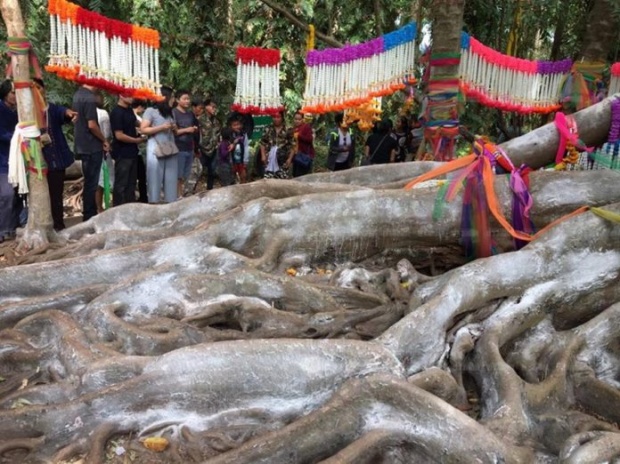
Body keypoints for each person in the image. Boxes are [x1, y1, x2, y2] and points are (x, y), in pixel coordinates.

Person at [33, 78, 77, 231]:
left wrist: (68, 113)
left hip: (56, 160)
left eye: (38, 87)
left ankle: (59, 227)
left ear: (44, 89)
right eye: (32, 88)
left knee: (56, 195)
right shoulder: (25, 111)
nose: (36, 91)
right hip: (35, 161)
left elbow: (62, 112)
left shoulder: (51, 109)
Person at [73, 84, 109, 221]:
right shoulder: (88, 97)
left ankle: (89, 213)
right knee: (92, 183)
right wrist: (104, 140)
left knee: (90, 182)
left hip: (83, 145)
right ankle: (89, 215)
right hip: (91, 146)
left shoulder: (78, 94)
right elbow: (92, 124)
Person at [140, 86, 179, 204]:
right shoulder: (150, 111)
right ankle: (153, 203)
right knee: (154, 177)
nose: (174, 100)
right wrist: (161, 127)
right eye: (172, 97)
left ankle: (171, 203)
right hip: (155, 147)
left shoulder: (171, 112)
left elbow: (176, 132)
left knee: (171, 177)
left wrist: (175, 128)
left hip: (170, 147)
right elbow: (143, 129)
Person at [110, 94, 145, 206]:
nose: (132, 97)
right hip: (122, 153)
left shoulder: (129, 110)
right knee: (121, 184)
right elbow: (119, 135)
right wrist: (136, 140)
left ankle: (130, 208)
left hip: (133, 152)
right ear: (120, 95)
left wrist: (149, 126)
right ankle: (118, 210)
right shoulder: (116, 112)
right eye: (128, 94)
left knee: (131, 183)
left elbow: (137, 123)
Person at [0, 79, 18, 242]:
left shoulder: (17, 111)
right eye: (13, 92)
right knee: (6, 195)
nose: (16, 95)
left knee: (17, 195)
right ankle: (3, 230)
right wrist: (17, 138)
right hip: (2, 161)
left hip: (16, 161)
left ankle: (11, 228)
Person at [172, 90, 199, 197]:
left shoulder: (190, 114)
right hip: (178, 147)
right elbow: (175, 131)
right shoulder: (174, 113)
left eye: (188, 99)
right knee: (178, 175)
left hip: (190, 147)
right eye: (184, 99)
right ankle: (178, 196)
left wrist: (194, 129)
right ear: (178, 100)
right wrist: (188, 130)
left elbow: (196, 127)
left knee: (185, 174)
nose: (187, 101)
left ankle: (183, 193)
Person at [260, 110, 294, 179]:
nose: (276, 119)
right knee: (268, 181)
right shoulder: (268, 128)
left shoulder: (288, 129)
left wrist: (290, 159)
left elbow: (293, 145)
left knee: (282, 181)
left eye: (278, 117)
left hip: (283, 160)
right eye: (274, 117)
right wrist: (263, 155)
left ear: (282, 118)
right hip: (269, 159)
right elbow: (262, 143)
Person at [197, 98, 221, 191]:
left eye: (215, 107)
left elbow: (218, 134)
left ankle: (209, 190)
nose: (214, 109)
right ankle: (191, 192)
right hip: (202, 150)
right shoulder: (200, 120)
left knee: (212, 171)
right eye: (212, 106)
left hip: (213, 149)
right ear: (206, 107)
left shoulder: (216, 121)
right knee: (198, 171)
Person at [95, 93, 114, 213]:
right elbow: (107, 133)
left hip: (90, 149)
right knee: (104, 178)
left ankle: (98, 207)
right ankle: (103, 207)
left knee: (96, 180)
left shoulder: (83, 112)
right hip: (103, 149)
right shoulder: (103, 113)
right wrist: (106, 142)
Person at [132, 99, 148, 203]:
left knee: (138, 176)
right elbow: (143, 131)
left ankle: (141, 196)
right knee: (141, 176)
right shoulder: (137, 118)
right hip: (139, 147)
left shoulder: (136, 117)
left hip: (137, 148)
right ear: (139, 107)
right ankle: (142, 197)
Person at [292, 112, 315, 177]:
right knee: (295, 175)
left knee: (301, 176)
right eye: (296, 119)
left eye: (299, 119)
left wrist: (299, 136)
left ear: (303, 119)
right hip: (296, 155)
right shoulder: (294, 129)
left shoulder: (306, 127)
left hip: (303, 155)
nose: (297, 121)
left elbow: (309, 139)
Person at [229, 114, 248, 183]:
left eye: (238, 124)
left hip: (241, 159)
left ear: (241, 125)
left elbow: (246, 146)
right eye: (234, 125)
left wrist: (246, 159)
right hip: (232, 160)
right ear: (231, 126)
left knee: (243, 176)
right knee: (232, 177)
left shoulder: (244, 134)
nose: (236, 127)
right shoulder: (229, 135)